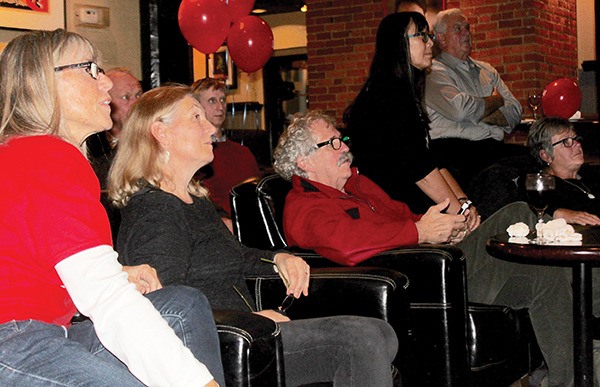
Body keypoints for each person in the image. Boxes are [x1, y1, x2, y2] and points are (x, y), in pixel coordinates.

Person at [273, 109, 592, 387]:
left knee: (545, 276)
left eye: (341, 139)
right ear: (305, 161)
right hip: (422, 287)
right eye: (331, 143)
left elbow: (406, 217)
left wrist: (447, 229)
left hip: (441, 267)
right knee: (518, 211)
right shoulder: (305, 206)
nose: (343, 147)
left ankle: (570, 380)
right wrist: (419, 232)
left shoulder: (359, 185)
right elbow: (348, 245)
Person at [108, 84, 399, 386]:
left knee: (380, 332)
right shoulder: (156, 209)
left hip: (246, 333)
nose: (210, 126)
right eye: (196, 117)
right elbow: (169, 309)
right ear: (161, 133)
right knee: (364, 338)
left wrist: (278, 258)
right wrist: (252, 321)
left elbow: (233, 255)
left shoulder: (194, 201)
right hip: (224, 344)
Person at [0, 30, 224, 386]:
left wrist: (118, 272)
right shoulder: (45, 156)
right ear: (40, 81)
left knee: (181, 305)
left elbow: (34, 261)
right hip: (14, 343)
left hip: (43, 333)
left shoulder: (27, 154)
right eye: (89, 68)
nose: (105, 82)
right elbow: (107, 300)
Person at [344, 12, 481, 234]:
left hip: (411, 205)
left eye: (429, 36)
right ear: (398, 44)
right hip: (395, 215)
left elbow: (429, 158)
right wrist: (460, 215)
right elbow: (419, 169)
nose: (430, 43)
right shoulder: (386, 95)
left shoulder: (404, 92)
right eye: (421, 36)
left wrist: (464, 203)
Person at [424, 8, 523, 186]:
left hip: (493, 149)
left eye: (467, 28)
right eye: (457, 29)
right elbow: (460, 110)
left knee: (536, 162)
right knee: (501, 180)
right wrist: (496, 101)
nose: (466, 33)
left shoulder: (487, 70)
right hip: (457, 153)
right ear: (441, 38)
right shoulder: (433, 71)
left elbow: (516, 111)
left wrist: (478, 111)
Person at [192, 77, 260, 217]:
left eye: (223, 100)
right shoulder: (194, 154)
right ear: (197, 107)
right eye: (212, 101)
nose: (220, 107)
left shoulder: (243, 152)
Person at [527, 117, 600, 225]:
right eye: (566, 141)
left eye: (576, 139)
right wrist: (557, 213)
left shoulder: (592, 173)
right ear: (546, 155)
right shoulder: (546, 187)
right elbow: (526, 204)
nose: (578, 144)